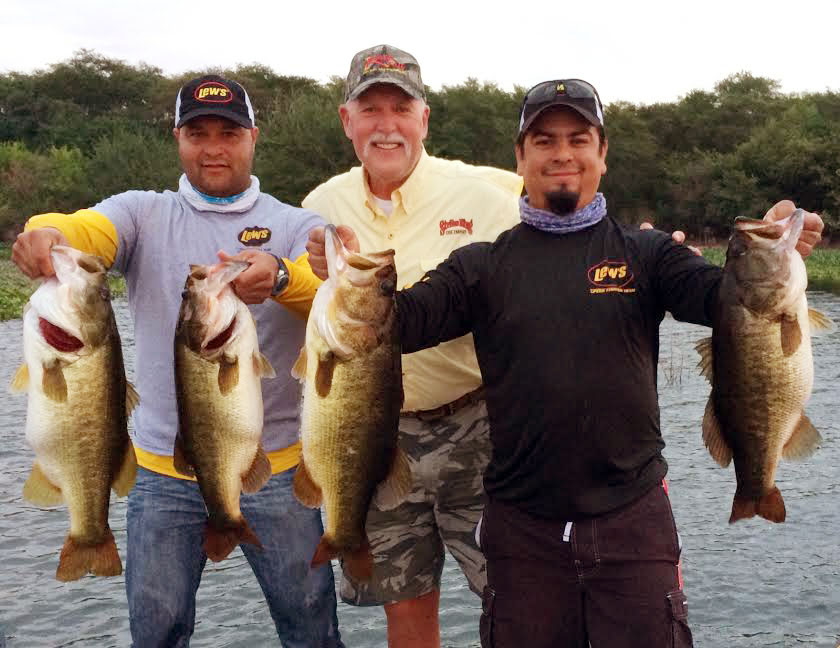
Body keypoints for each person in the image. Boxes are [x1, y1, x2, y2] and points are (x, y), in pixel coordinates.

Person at [312, 78, 824, 647]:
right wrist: (344, 275)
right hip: (520, 530)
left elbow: (726, 300)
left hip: (633, 521)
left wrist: (776, 240)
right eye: (544, 140)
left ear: (603, 154)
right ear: (520, 158)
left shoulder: (647, 255)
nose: (562, 154)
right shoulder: (480, 266)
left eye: (578, 139)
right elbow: (398, 322)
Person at [12, 75, 343, 648]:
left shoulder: (295, 223)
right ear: (178, 138)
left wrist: (285, 277)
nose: (214, 147)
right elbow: (83, 229)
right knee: (157, 630)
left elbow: (334, 293)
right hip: (161, 472)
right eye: (198, 133)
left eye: (228, 133)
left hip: (279, 468)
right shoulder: (141, 213)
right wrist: (47, 233)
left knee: (310, 625)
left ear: (253, 138)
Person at [301, 44, 523, 648]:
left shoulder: (484, 199)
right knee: (405, 603)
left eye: (401, 107)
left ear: (425, 118)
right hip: (366, 436)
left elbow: (562, 230)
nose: (386, 124)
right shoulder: (319, 207)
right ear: (346, 121)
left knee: (514, 597)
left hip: (478, 427)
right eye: (369, 108)